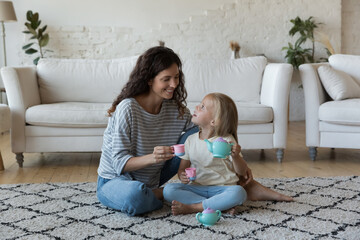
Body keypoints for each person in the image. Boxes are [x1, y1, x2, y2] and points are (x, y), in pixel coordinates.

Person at [96, 46, 198, 216]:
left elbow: (204, 135)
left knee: (196, 133)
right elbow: (119, 164)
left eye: (176, 77)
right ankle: (165, 193)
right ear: (150, 80)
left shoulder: (176, 110)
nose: (174, 84)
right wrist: (154, 157)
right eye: (166, 79)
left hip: (153, 177)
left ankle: (158, 192)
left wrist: (234, 160)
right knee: (134, 197)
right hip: (115, 180)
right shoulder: (127, 108)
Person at [163, 93, 293, 215]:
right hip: (198, 188)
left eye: (202, 107)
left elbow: (241, 172)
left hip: (223, 189)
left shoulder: (227, 141)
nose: (197, 107)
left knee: (239, 193)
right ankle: (219, 205)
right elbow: (182, 170)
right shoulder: (190, 140)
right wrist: (183, 176)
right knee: (169, 190)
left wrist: (236, 156)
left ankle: (195, 207)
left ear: (214, 121)